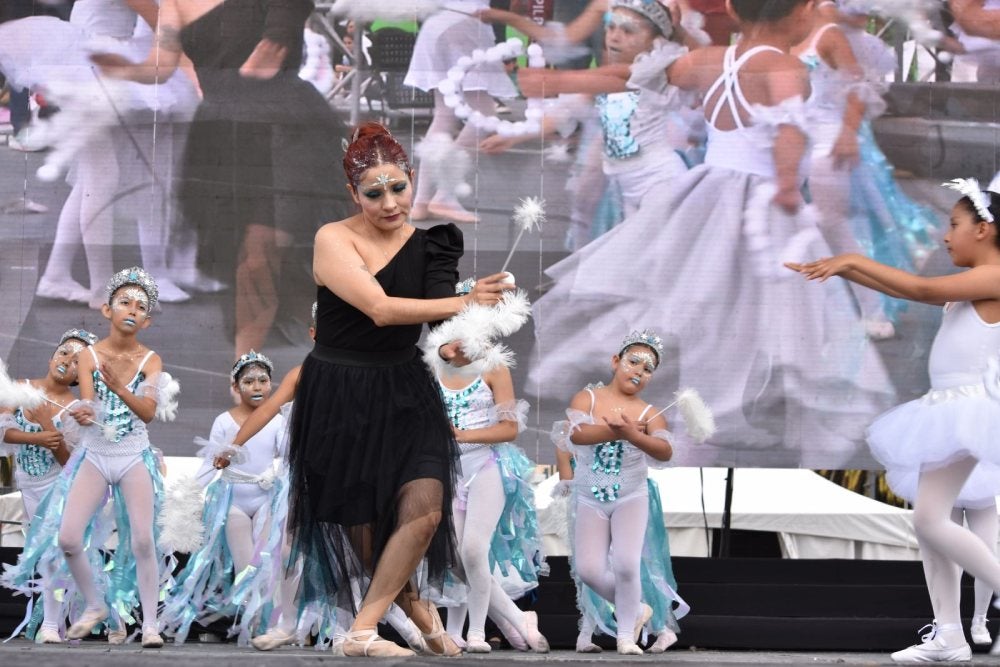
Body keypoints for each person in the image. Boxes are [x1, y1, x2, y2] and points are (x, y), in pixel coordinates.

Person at [526, 0, 895, 468]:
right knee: (776, 317)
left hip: (706, 192)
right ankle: (712, 425)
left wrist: (564, 81)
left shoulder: (709, 59)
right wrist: (785, 187)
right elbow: (788, 130)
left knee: (708, 312)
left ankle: (710, 420)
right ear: (799, 14)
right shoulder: (783, 67)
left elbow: (654, 76)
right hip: (756, 204)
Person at [286, 122, 510, 658]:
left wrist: (467, 329)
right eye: (374, 192)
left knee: (426, 506)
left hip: (406, 389)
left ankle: (361, 632)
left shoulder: (435, 244)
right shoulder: (332, 238)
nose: (390, 202)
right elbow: (382, 310)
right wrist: (464, 301)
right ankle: (413, 606)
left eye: (398, 188)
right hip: (341, 387)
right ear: (353, 194)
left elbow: (441, 329)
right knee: (360, 516)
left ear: (412, 180)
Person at [786, 179, 1000, 663]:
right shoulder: (980, 278)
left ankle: (967, 616)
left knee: (929, 518)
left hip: (968, 408)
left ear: (985, 230)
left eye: (954, 225)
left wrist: (853, 260)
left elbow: (921, 289)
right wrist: (845, 270)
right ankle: (949, 632)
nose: (946, 236)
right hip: (945, 406)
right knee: (930, 522)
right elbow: (901, 288)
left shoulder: (996, 276)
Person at [93, 0, 351, 357]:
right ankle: (244, 365)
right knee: (247, 261)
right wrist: (121, 69)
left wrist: (264, 55)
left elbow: (272, 50)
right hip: (224, 134)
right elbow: (163, 65)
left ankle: (324, 341)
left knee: (267, 249)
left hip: (283, 129)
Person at [2, 267, 175, 648]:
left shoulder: (151, 360)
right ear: (107, 310)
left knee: (143, 540)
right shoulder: (89, 357)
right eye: (124, 302)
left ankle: (149, 625)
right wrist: (84, 413)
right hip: (94, 455)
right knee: (67, 538)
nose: (131, 308)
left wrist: (117, 387)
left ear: (146, 321)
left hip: (132, 455)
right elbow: (90, 406)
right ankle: (95, 604)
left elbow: (147, 412)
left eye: (140, 306)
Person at [434, 287, 548, 652]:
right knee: (452, 555)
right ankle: (461, 629)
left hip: (485, 464)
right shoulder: (433, 365)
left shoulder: (494, 367)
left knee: (472, 550)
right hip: (446, 469)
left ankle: (478, 631)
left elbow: (509, 428)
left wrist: (460, 434)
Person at [551, 329, 675, 655]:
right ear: (615, 360)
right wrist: (615, 429)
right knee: (589, 570)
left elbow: (664, 451)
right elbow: (576, 436)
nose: (638, 372)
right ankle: (635, 612)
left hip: (630, 496)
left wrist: (634, 435)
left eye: (647, 369)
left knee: (625, 565)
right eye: (633, 362)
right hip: (590, 496)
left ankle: (625, 637)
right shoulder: (587, 398)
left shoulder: (650, 413)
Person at [160, 350, 290, 645]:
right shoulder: (224, 421)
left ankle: (274, 625)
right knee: (246, 566)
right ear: (235, 387)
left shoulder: (277, 421)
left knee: (267, 560)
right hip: (234, 499)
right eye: (249, 381)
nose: (257, 387)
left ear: (271, 384)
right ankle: (252, 624)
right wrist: (190, 491)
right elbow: (210, 463)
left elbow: (287, 454)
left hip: (267, 495)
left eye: (262, 381)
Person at [0, 328, 96, 643]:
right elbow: (2, 431)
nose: (67, 360)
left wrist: (48, 428)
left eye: (76, 361)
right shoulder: (21, 389)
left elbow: (69, 461)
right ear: (52, 354)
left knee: (54, 551)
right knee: (41, 552)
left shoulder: (77, 407)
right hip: (28, 486)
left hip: (59, 486)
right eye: (64, 351)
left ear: (79, 375)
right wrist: (38, 436)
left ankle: (51, 625)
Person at [404, 0, 518, 223]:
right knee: (483, 114)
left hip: (438, 21)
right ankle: (444, 194)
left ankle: (422, 201)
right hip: (466, 20)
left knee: (445, 114)